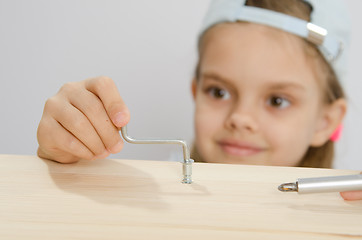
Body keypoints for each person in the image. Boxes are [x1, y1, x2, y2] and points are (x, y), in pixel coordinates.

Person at [36, 0, 362, 200]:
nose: (240, 118)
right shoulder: (146, 194)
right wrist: (62, 161)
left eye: (277, 100)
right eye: (218, 92)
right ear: (196, 92)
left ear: (326, 122)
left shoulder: (347, 216)